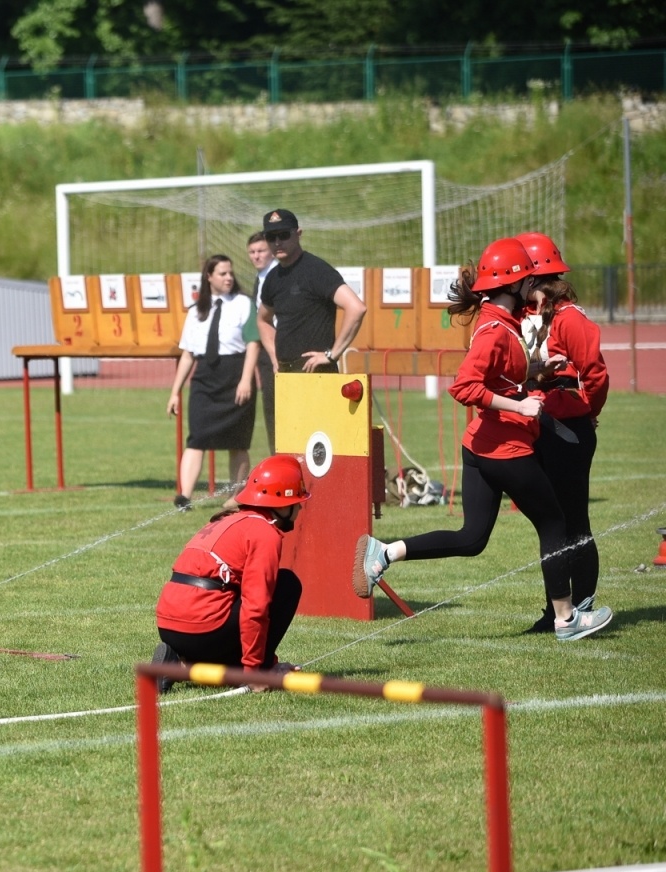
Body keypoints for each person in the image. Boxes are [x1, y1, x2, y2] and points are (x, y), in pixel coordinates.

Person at [353, 239, 613, 642]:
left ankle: (383, 553)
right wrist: (519, 407)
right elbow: (464, 388)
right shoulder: (496, 329)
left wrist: (539, 370)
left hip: (479, 446)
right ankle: (566, 619)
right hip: (505, 447)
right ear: (514, 283)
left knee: (471, 538)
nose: (533, 284)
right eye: (527, 276)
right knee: (555, 523)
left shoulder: (500, 320)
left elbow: (504, 375)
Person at [152, 454, 310, 691]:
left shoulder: (226, 520)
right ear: (282, 504)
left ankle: (179, 664)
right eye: (297, 501)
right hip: (202, 626)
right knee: (287, 585)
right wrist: (256, 671)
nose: (299, 506)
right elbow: (255, 607)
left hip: (169, 624)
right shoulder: (264, 532)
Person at [517, 231, 609, 633]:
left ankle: (580, 606)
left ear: (538, 279)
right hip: (540, 429)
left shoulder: (571, 318)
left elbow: (596, 374)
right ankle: (559, 609)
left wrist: (589, 412)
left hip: (569, 430)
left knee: (573, 521)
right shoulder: (527, 318)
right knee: (551, 523)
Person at [166, 254, 259, 511]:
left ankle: (236, 496)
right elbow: (187, 354)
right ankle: (184, 497)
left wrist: (245, 381)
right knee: (197, 438)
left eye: (230, 273)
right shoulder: (196, 311)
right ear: (209, 277)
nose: (228, 278)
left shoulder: (244, 304)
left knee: (237, 442)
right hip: (205, 378)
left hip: (235, 374)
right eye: (222, 274)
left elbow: (253, 344)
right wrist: (175, 392)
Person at [256, 208, 366, 375]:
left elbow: (356, 308)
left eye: (284, 235)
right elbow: (263, 320)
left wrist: (332, 355)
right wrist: (274, 356)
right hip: (285, 373)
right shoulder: (273, 278)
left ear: (298, 233)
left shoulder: (316, 270)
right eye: (271, 237)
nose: (277, 242)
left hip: (317, 372)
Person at [246, 232, 277, 453]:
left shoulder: (275, 274)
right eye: (252, 252)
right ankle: (277, 454)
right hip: (265, 349)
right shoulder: (261, 276)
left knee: (276, 406)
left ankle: (282, 456)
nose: (256, 256)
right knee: (270, 405)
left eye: (261, 251)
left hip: (277, 346)